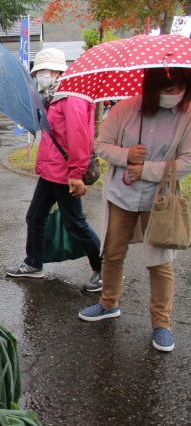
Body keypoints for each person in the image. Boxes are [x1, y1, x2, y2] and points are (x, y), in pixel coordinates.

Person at [79, 68, 191, 352]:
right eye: (166, 89)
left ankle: (162, 323)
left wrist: (147, 171)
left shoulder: (187, 115)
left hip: (160, 200)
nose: (173, 95)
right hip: (122, 195)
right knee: (113, 252)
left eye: (179, 88)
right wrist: (126, 154)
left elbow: (188, 161)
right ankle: (108, 303)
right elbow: (101, 145)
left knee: (160, 261)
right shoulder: (126, 109)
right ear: (151, 87)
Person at [5, 48, 102, 291]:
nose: (40, 76)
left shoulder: (71, 96)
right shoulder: (53, 96)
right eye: (37, 72)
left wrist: (76, 174)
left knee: (75, 223)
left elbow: (80, 136)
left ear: (58, 71)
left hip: (65, 173)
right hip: (52, 171)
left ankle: (103, 270)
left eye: (43, 71)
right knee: (35, 216)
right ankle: (33, 263)